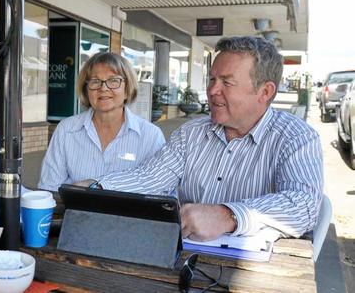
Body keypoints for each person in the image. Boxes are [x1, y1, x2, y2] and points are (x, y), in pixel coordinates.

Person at [77, 36, 323, 241]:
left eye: (227, 82)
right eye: (212, 79)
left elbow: (303, 206)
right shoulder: (190, 133)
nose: (213, 90)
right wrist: (98, 187)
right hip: (187, 259)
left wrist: (229, 216)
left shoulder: (296, 138)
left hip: (256, 272)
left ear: (265, 91)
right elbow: (150, 178)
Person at [39, 52, 165, 191]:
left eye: (113, 81)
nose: (103, 88)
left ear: (127, 89)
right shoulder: (66, 130)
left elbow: (159, 189)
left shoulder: (151, 136)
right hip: (77, 212)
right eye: (95, 81)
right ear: (86, 90)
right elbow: (50, 187)